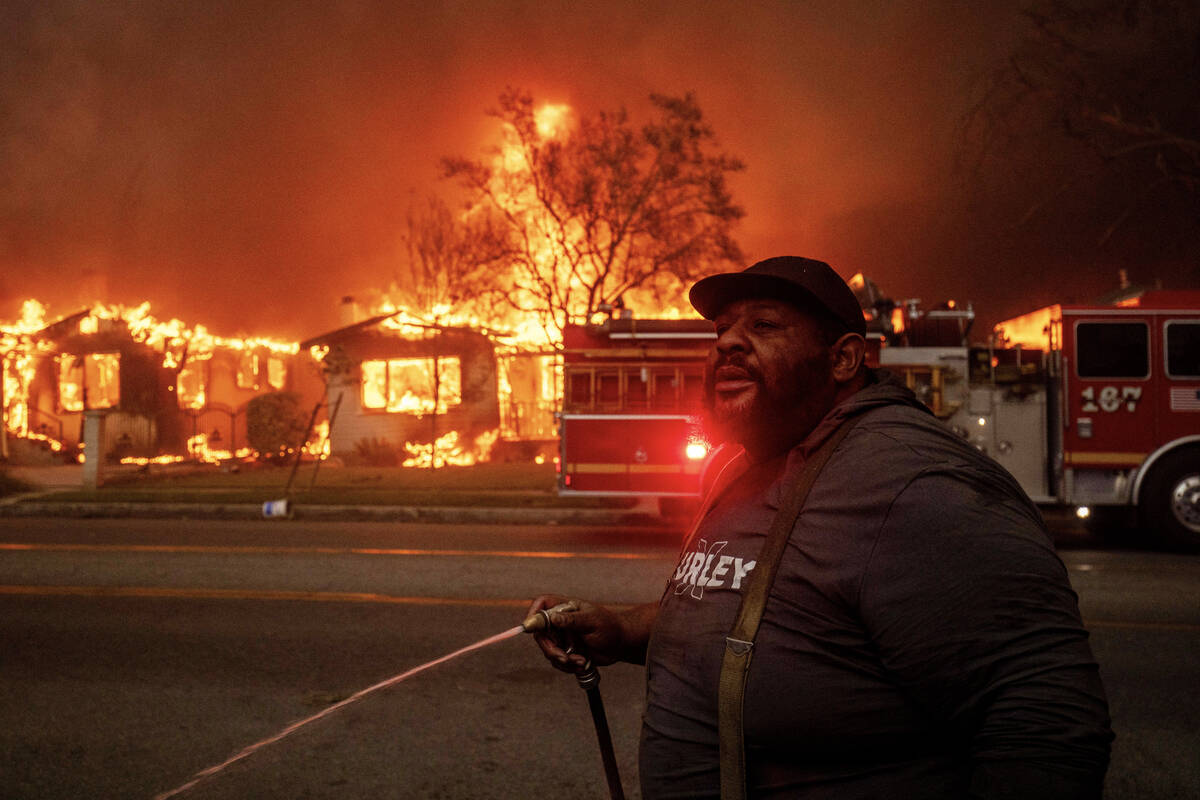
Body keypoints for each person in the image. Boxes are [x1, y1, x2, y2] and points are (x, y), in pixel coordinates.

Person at [528, 256, 1113, 799]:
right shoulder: (742, 465)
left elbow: (1047, 721)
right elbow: (755, 608)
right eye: (722, 330)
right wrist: (623, 628)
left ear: (843, 359)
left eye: (763, 325)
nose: (728, 342)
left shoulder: (910, 483)